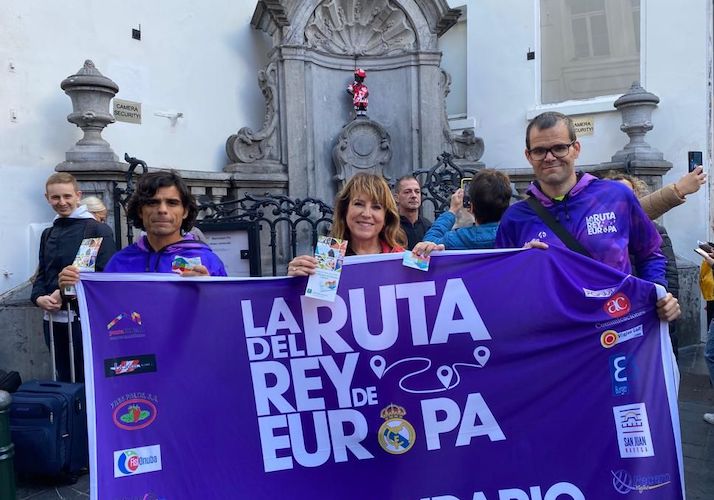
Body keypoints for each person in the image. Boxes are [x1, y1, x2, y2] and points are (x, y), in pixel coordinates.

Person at [495, 111, 679, 322]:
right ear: (529, 156)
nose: (549, 157)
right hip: (557, 336)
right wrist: (521, 264)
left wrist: (660, 294)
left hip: (618, 327)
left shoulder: (616, 196)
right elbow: (503, 284)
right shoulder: (515, 218)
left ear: (576, 149)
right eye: (539, 151)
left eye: (559, 148)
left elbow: (650, 253)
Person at [59, 170, 226, 282]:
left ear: (185, 212)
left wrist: (209, 291)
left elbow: (228, 313)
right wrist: (72, 288)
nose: (162, 210)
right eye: (152, 202)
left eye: (172, 203)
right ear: (140, 211)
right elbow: (103, 311)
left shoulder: (207, 262)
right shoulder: (119, 262)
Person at [31, 172, 116, 382]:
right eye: (55, 198)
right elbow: (42, 271)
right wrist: (38, 298)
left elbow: (101, 275)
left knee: (86, 377)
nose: (62, 202)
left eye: (67, 196)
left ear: (78, 195)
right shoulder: (48, 233)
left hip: (82, 319)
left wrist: (63, 294)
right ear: (47, 198)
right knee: (64, 376)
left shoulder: (96, 229)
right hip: (51, 319)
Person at [607, 173, 681, 356]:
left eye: (628, 194)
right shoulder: (601, 236)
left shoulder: (655, 230)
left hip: (649, 312)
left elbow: (669, 274)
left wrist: (663, 302)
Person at [287, 173, 406, 276]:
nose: (366, 214)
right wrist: (294, 284)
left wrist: (424, 256)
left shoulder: (400, 258)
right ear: (345, 211)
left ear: (386, 216)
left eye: (376, 207)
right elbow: (311, 302)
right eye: (359, 204)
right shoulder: (329, 258)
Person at [413, 169, 511, 254]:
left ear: (471, 207)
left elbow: (428, 244)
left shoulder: (459, 238)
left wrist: (452, 211)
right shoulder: (513, 235)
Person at [395, 175, 431, 249]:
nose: (414, 196)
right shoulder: (390, 226)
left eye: (417, 192)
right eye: (407, 192)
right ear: (396, 197)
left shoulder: (428, 226)